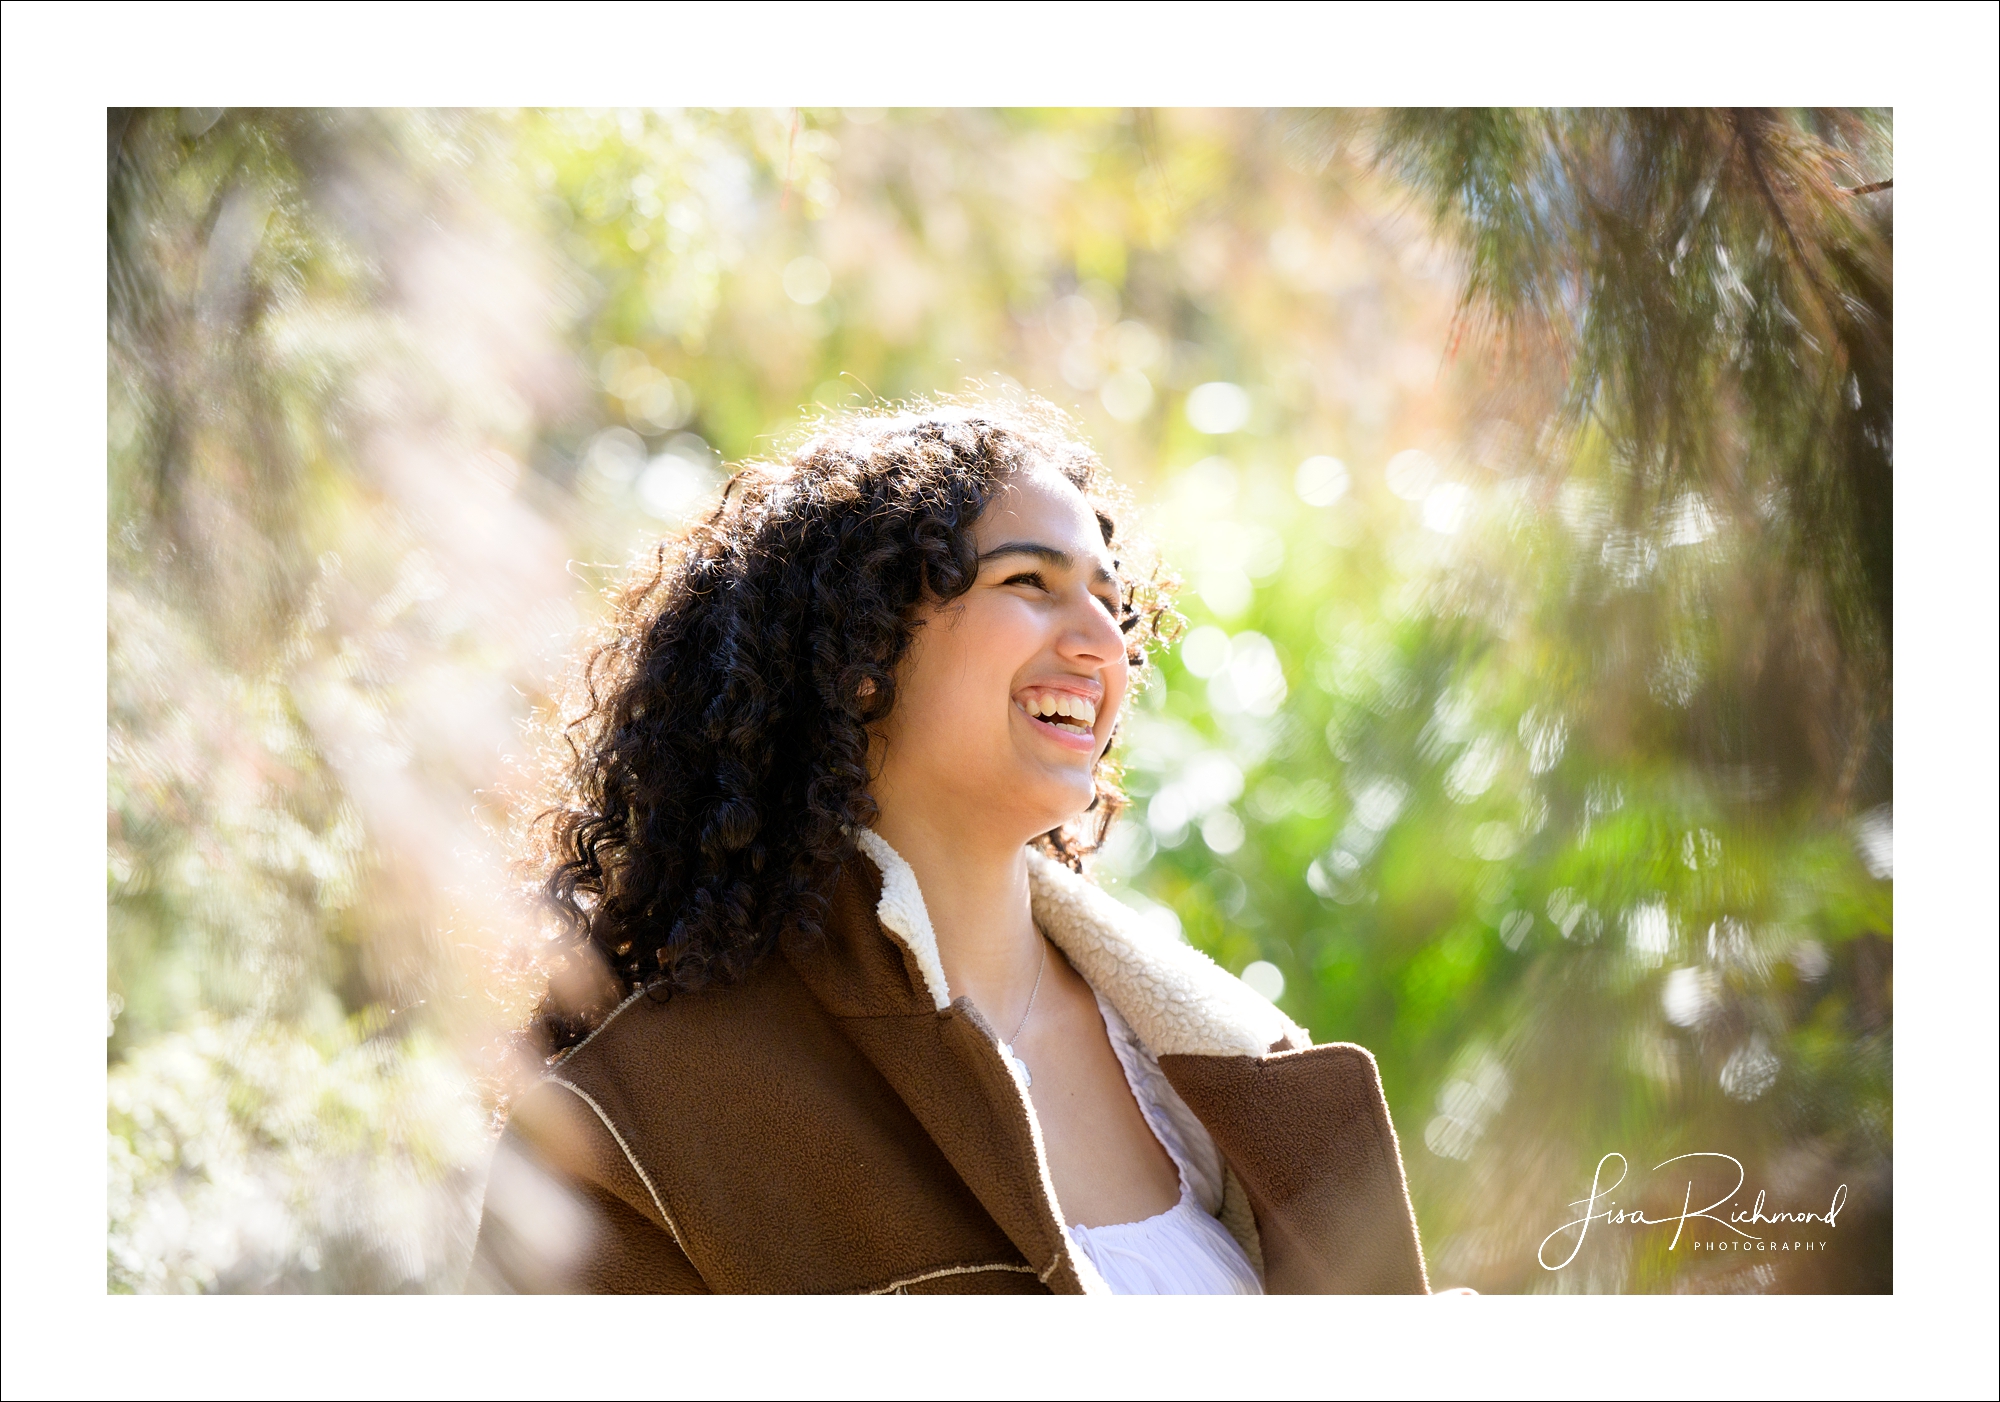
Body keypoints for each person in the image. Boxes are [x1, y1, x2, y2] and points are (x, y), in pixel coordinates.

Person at [467, 402, 1431, 1294]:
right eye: (1029, 582)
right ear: (859, 661)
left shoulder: (1224, 1065)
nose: (1104, 639)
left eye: (1110, 598)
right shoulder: (639, 1122)